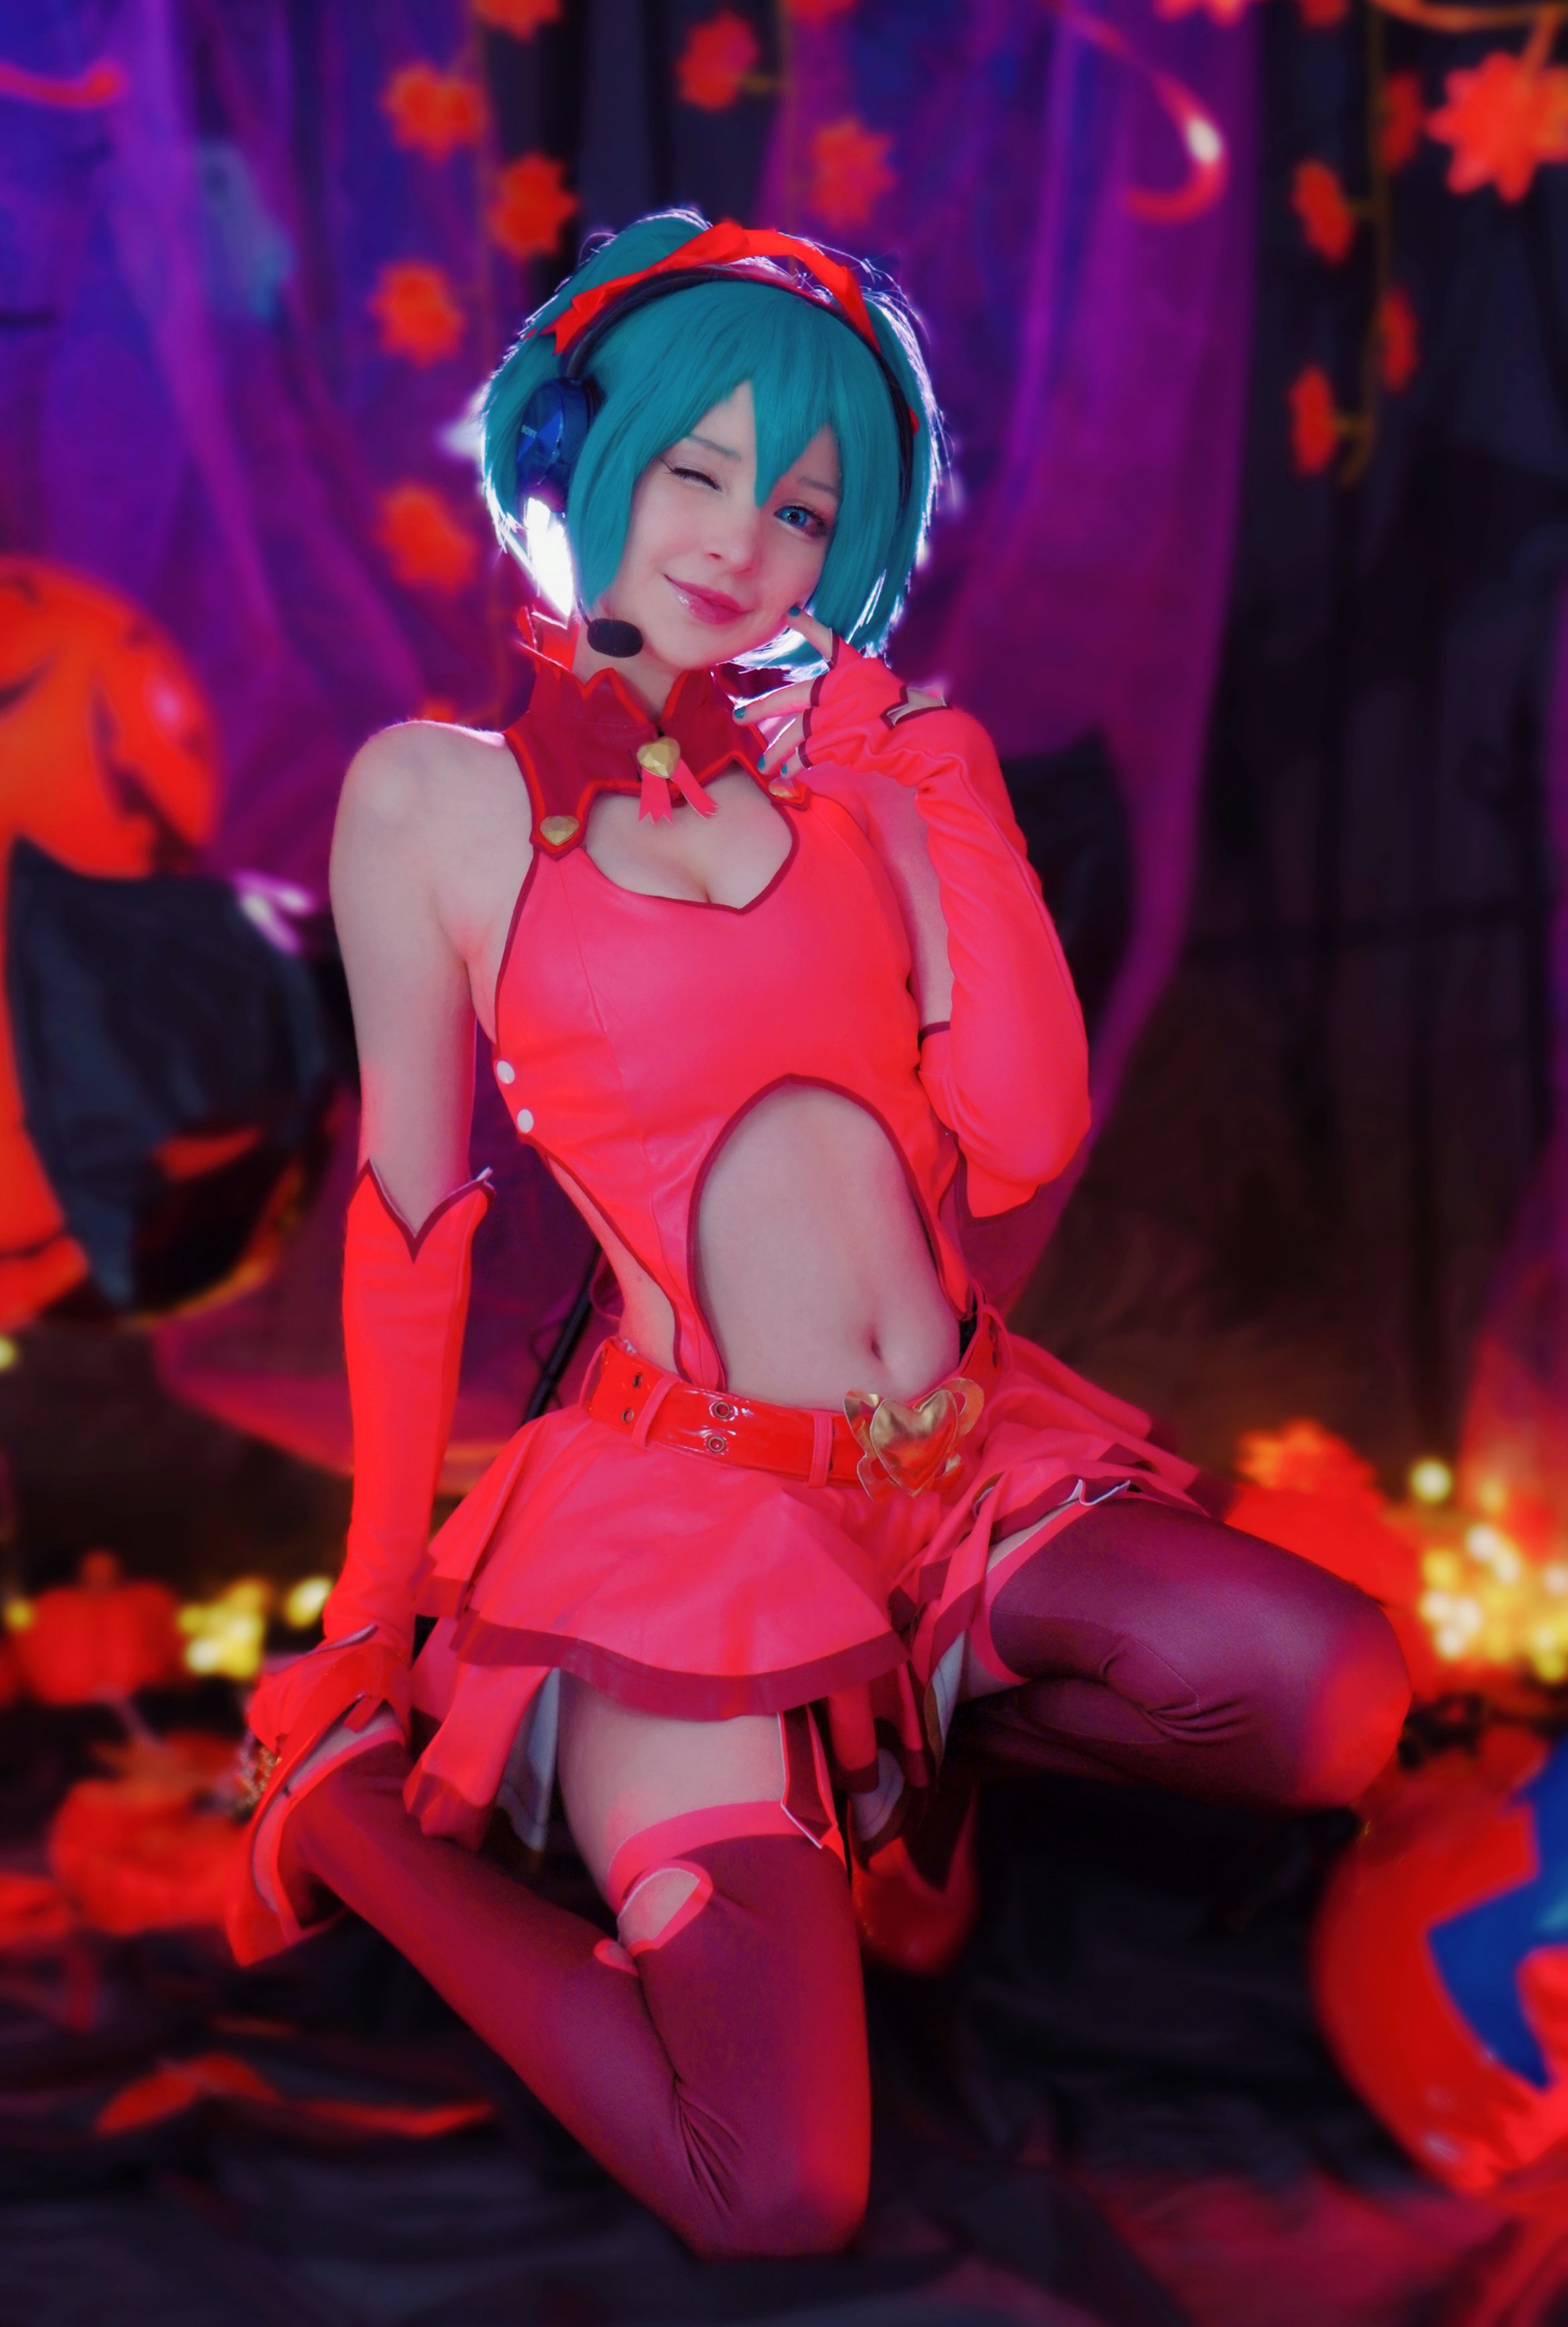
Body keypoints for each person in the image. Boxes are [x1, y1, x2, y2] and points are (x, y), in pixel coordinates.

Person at [226, 212, 1411, 2258]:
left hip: (958, 1485)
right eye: (699, 470)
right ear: (582, 454)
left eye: (801, 507)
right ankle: (333, 1824)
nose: (743, 543)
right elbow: (411, 1223)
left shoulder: (864, 778)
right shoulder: (434, 802)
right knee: (774, 2187)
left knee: (1333, 1697)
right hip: (695, 1530)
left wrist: (938, 775)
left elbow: (1026, 1133)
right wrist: (371, 1609)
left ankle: (903, 1748)